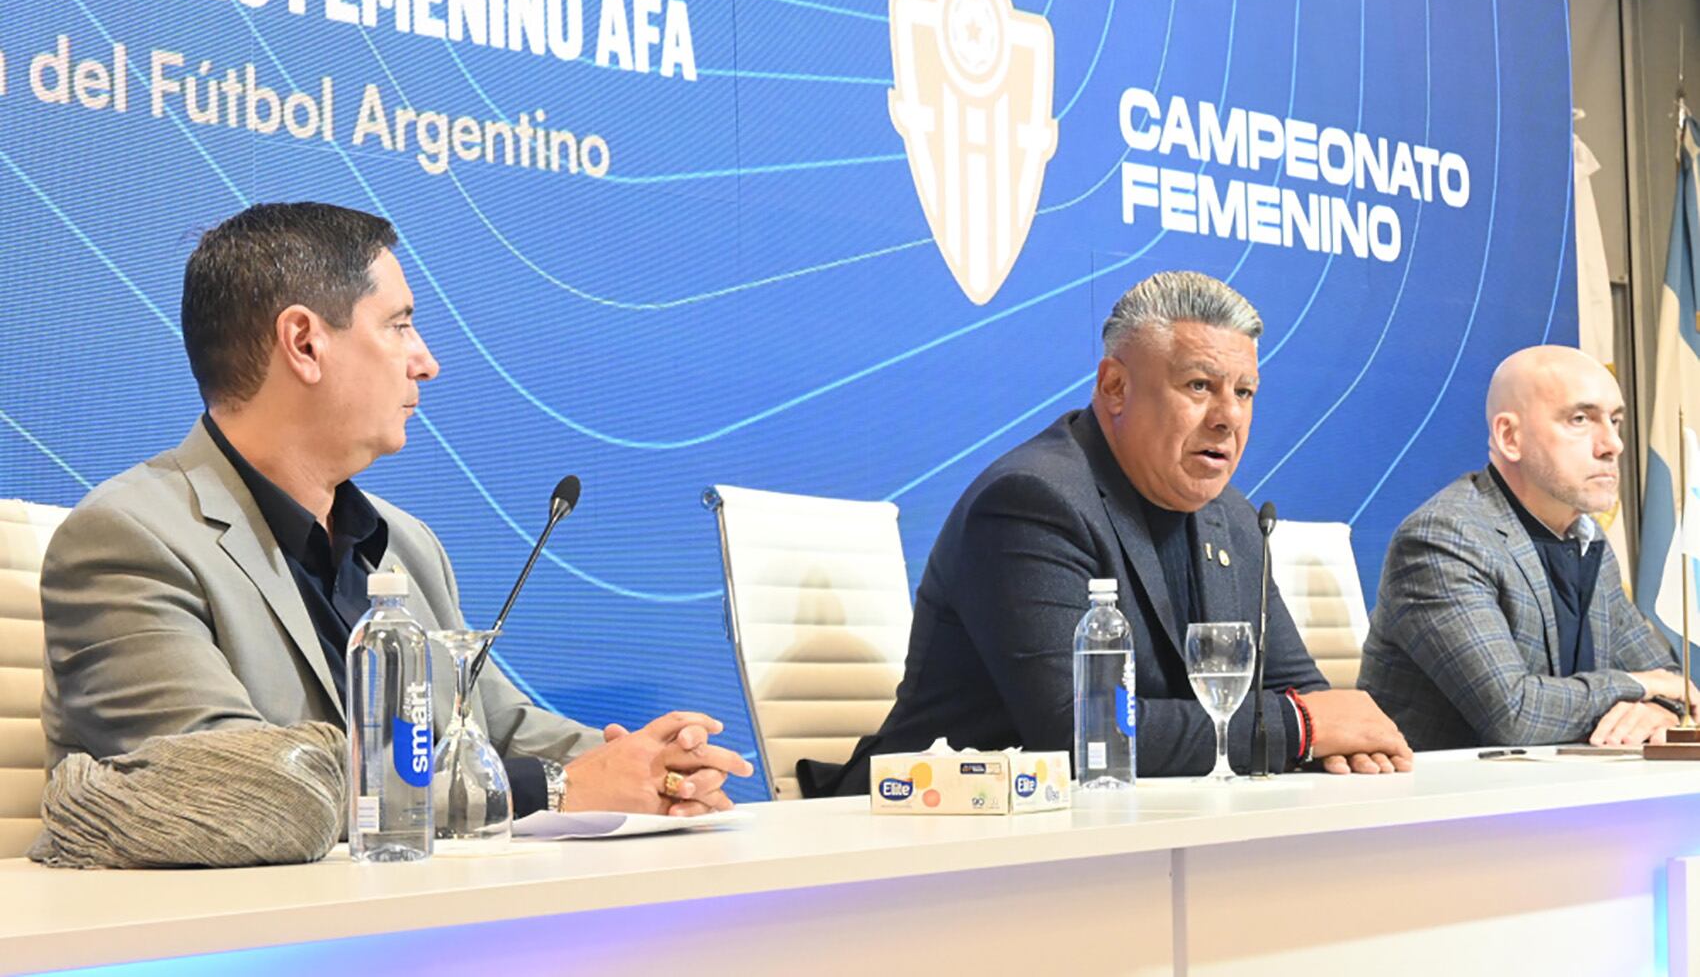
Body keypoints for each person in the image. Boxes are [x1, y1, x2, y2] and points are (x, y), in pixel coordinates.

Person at [39, 202, 752, 817]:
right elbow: (241, 784)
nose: (427, 360)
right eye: (401, 325)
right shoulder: (130, 541)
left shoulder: (406, 543)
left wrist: (648, 764)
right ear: (305, 343)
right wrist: (558, 789)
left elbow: (496, 727)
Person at [818, 271, 1411, 795]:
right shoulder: (1032, 502)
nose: (1228, 416)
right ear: (1115, 387)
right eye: (1200, 386)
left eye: (1244, 392)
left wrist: (1330, 732)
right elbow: (1081, 733)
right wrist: (1303, 730)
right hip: (935, 837)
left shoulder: (1234, 519)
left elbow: (1304, 694)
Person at [1358, 345, 1688, 750]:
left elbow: (1670, 679)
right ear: (1510, 437)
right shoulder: (1443, 539)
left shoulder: (1586, 539)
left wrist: (1658, 707)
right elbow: (1514, 715)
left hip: (1554, 796)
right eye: (1581, 419)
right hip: (1446, 804)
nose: (1612, 445)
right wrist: (1636, 686)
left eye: (1615, 420)